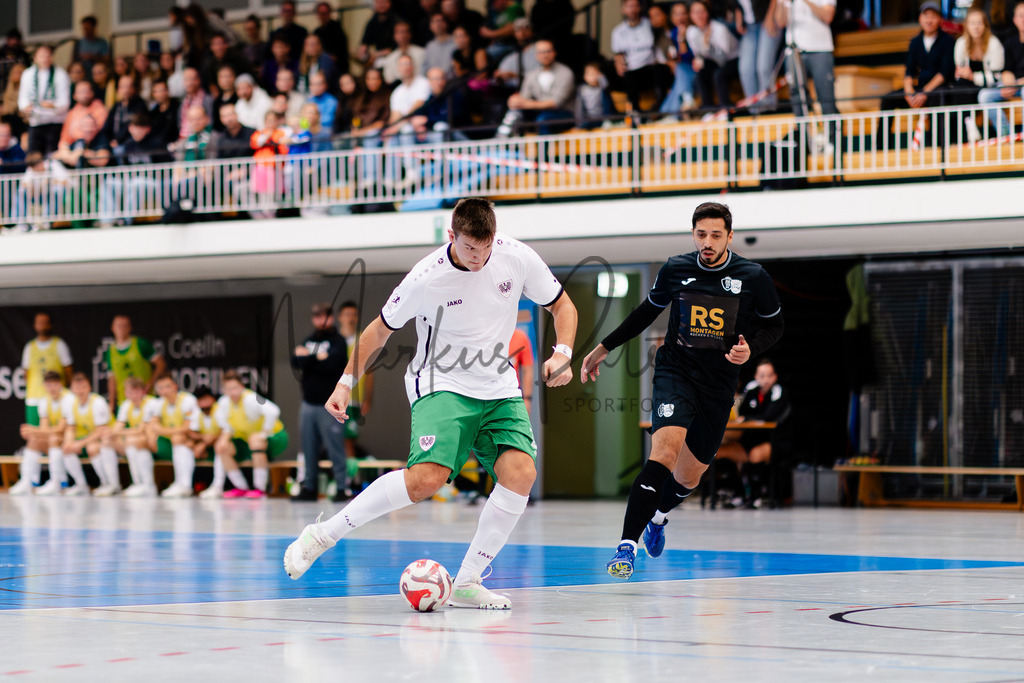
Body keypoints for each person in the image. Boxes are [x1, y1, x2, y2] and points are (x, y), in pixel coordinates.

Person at [284, 197, 578, 611]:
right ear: (451, 236)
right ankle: (323, 534)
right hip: (442, 381)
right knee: (426, 480)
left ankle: (468, 581)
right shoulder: (425, 278)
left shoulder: (517, 257)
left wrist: (563, 351)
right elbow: (377, 332)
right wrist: (346, 382)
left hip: (497, 386)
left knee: (521, 474)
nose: (478, 258)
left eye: (486, 247)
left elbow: (562, 304)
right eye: (469, 248)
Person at [580, 202, 784, 579]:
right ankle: (627, 545)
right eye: (701, 234)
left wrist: (750, 348)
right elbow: (644, 313)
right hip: (675, 372)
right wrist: (603, 348)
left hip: (719, 386)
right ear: (693, 234)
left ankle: (658, 517)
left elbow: (775, 326)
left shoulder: (753, 276)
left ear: (729, 237)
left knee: (690, 477)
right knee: (664, 452)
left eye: (716, 235)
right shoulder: (676, 268)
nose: (707, 242)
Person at [290, 302, 348, 502]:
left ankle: (342, 487)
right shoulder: (309, 339)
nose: (320, 319)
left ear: (331, 318)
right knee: (308, 448)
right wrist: (318, 358)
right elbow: (295, 362)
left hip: (329, 405)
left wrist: (308, 358)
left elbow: (332, 366)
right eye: (316, 316)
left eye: (324, 315)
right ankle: (309, 487)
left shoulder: (338, 341)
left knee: (335, 447)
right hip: (308, 403)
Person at [717, 358, 791, 507]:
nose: (765, 380)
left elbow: (769, 416)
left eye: (769, 376)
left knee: (755, 455)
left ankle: (756, 495)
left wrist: (750, 418)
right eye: (762, 376)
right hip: (749, 439)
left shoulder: (779, 392)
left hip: (774, 440)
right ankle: (736, 492)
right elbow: (743, 413)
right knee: (719, 452)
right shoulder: (751, 389)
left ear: (775, 377)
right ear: (756, 377)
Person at [213, 370, 289, 499]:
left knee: (255, 441)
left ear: (242, 387)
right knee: (222, 447)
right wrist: (223, 441)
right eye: (228, 389)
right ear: (224, 390)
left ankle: (260, 488)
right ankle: (240, 487)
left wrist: (263, 433)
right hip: (246, 441)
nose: (232, 392)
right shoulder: (223, 403)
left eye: (235, 388)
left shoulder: (252, 398)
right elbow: (227, 428)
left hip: (274, 438)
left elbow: (273, 411)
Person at [881, 3, 955, 113]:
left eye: (933, 16)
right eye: (926, 16)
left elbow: (944, 73)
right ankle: (883, 131)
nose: (929, 20)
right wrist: (909, 92)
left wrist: (925, 92)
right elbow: (909, 71)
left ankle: (935, 131)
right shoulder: (915, 42)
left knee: (937, 97)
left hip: (940, 88)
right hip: (920, 88)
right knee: (888, 99)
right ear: (920, 19)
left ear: (940, 19)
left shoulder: (948, 41)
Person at [11, 371, 74, 496]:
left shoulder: (69, 399)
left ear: (60, 384)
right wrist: (32, 433)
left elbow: (62, 429)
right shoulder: (44, 402)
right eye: (49, 385)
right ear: (44, 386)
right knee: (34, 440)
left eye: (55, 384)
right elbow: (44, 429)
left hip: (71, 438)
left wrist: (32, 430)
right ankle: (26, 481)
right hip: (57, 439)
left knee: (53, 439)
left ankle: (57, 482)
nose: (52, 388)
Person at [774, 0, 837, 117]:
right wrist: (781, 3)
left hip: (820, 48)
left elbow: (827, 16)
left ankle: (832, 134)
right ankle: (803, 133)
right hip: (794, 50)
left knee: (826, 96)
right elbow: (780, 22)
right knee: (797, 97)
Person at [498, 40, 575, 135]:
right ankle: (503, 140)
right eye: (541, 52)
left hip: (563, 113)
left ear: (554, 53)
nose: (545, 55)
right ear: (536, 55)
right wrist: (515, 102)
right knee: (515, 114)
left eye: (548, 51)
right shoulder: (531, 75)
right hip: (539, 111)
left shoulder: (565, 73)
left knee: (543, 119)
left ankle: (542, 150)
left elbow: (554, 103)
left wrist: (525, 104)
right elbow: (524, 97)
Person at [952, 8, 1005, 141]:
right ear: (966, 26)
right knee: (960, 87)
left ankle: (967, 130)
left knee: (968, 90)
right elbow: (959, 71)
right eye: (972, 23)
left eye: (979, 23)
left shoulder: (994, 44)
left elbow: (996, 76)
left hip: (989, 86)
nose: (975, 27)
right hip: (967, 87)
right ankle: (969, 124)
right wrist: (966, 75)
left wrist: (973, 77)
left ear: (985, 26)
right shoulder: (960, 44)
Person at [336, 301, 376, 477]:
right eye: (346, 314)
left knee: (349, 438)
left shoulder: (363, 340)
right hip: (336, 397)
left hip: (354, 398)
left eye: (353, 314)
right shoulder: (333, 340)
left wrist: (367, 399)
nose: (350, 318)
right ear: (340, 317)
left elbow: (370, 372)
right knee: (338, 438)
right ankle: (344, 477)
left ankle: (350, 477)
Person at [64, 372, 118, 496]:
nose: (80, 391)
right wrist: (69, 443)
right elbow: (70, 429)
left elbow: (101, 431)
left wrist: (79, 444)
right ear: (72, 389)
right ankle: (81, 485)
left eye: (83, 387)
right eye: (77, 388)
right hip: (89, 438)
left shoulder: (98, 402)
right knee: (66, 449)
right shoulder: (71, 404)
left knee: (92, 448)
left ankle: (110, 484)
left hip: (109, 438)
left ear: (90, 388)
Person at [148, 373, 200, 498]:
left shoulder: (188, 400)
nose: (164, 390)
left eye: (167, 386)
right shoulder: (158, 403)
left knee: (178, 438)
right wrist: (162, 432)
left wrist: (163, 431)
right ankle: (148, 484)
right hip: (169, 440)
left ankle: (185, 484)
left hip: (190, 438)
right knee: (139, 442)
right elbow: (154, 426)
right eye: (160, 388)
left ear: (175, 386)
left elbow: (188, 427)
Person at [612, 0, 669, 112]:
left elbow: (664, 36)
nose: (633, 9)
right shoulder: (618, 32)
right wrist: (618, 63)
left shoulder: (650, 24)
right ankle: (635, 111)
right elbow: (618, 54)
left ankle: (660, 108)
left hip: (650, 67)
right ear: (623, 9)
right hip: (632, 69)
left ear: (640, 8)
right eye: (629, 6)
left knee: (660, 70)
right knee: (626, 75)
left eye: (635, 6)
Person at [109, 376, 161, 497]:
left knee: (135, 441)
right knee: (111, 441)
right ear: (126, 393)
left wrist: (122, 432)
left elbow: (142, 430)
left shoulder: (152, 403)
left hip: (156, 440)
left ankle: (148, 484)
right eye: (130, 392)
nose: (133, 395)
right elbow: (117, 428)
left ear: (143, 391)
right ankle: (137, 483)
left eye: (136, 391)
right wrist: (115, 433)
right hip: (136, 439)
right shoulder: (126, 405)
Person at [980, 0, 1024, 137]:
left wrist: (1016, 84)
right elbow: (1007, 69)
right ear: (1014, 19)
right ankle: (1007, 135)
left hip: (1021, 87)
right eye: (1021, 16)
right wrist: (1009, 83)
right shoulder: (1010, 42)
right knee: (985, 95)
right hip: (1014, 85)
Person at [104, 314, 166, 411]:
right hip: (124, 401)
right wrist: (111, 403)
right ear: (113, 328)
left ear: (130, 328)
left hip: (145, 398)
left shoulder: (140, 344)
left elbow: (161, 364)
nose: (121, 329)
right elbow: (112, 379)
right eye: (119, 326)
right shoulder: (110, 351)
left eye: (125, 326)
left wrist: (150, 383)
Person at [20, 312, 72, 428]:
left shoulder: (59, 344)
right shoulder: (29, 347)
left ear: (50, 325)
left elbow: (68, 371)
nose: (42, 326)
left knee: (56, 433)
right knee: (35, 434)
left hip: (55, 397)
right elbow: (26, 373)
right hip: (35, 397)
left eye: (45, 323)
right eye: (39, 323)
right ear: (34, 325)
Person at [687, 0, 741, 110]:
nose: (699, 16)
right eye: (695, 12)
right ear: (691, 15)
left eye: (701, 12)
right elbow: (698, 54)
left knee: (718, 75)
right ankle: (708, 108)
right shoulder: (691, 31)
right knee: (700, 73)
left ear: (707, 13)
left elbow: (722, 59)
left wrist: (708, 46)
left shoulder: (719, 29)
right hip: (712, 60)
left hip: (733, 59)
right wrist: (697, 61)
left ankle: (725, 108)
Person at [18, 45, 70, 155]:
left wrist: (52, 106)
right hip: (35, 121)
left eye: (48, 56)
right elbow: (23, 99)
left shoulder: (61, 74)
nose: (45, 59)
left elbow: (65, 102)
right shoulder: (28, 74)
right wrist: (26, 108)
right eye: (42, 56)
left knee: (52, 155)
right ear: (35, 58)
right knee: (34, 156)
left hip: (55, 121)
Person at [736, 0, 781, 112]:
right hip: (750, 26)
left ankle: (769, 109)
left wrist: (770, 18)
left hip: (769, 18)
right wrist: (739, 18)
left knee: (763, 67)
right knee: (745, 69)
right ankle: (754, 110)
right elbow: (735, 3)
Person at [192, 386, 227, 498]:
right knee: (186, 444)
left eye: (206, 399)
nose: (204, 403)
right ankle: (186, 484)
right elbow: (191, 431)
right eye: (201, 400)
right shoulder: (197, 412)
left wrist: (204, 443)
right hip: (208, 448)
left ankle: (218, 486)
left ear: (213, 399)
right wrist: (202, 438)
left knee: (220, 446)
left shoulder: (220, 409)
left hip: (226, 445)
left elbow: (224, 431)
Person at [102, 75, 148, 147]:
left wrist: (118, 141)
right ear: (118, 89)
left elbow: (133, 126)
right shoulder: (117, 106)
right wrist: (109, 141)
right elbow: (107, 126)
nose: (126, 90)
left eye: (129, 87)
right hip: (113, 142)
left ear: (134, 89)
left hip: (130, 143)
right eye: (122, 87)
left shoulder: (140, 105)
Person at [494, 18, 539, 88]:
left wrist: (515, 75)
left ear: (532, 31)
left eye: (526, 27)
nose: (522, 32)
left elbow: (541, 76)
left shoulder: (540, 50)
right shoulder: (511, 54)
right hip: (509, 91)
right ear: (514, 33)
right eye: (518, 29)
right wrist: (499, 76)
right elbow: (499, 78)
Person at [314, 2, 351, 76]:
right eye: (321, 13)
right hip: (322, 62)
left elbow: (342, 47)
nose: (323, 16)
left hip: (338, 65)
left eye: (325, 13)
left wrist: (333, 57)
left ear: (329, 13)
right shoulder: (317, 32)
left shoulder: (337, 28)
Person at [360, 0, 400, 67]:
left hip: (394, 55)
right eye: (378, 2)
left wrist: (377, 54)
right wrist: (363, 51)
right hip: (377, 55)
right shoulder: (373, 21)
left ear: (390, 3)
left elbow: (396, 47)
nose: (381, 5)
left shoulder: (396, 22)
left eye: (384, 2)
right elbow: (365, 42)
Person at [148, 80, 180, 145]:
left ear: (167, 91)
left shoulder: (176, 106)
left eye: (162, 90)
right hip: (155, 144)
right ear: (153, 94)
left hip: (172, 143)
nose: (160, 94)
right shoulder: (154, 111)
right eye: (157, 91)